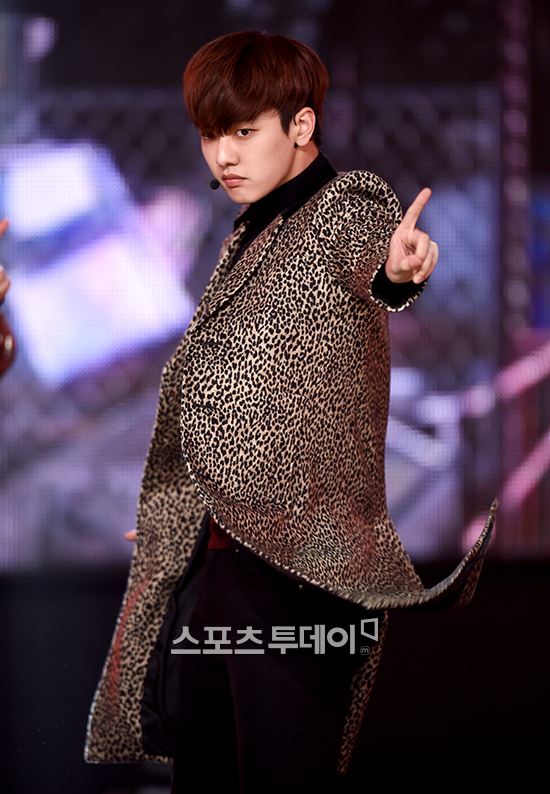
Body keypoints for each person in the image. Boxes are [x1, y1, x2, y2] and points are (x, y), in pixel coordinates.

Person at [84, 30, 498, 792]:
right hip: (224, 566)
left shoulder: (343, 207)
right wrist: (198, 513)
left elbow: (377, 259)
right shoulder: (251, 233)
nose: (223, 155)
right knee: (206, 774)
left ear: (300, 125)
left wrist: (400, 268)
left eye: (243, 132)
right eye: (211, 135)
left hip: (300, 576)